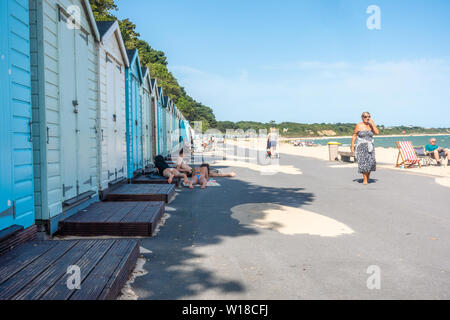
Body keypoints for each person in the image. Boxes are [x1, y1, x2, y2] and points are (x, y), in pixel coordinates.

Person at [351, 112, 379, 185]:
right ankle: (365, 179)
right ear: (362, 117)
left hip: (370, 146)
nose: (367, 118)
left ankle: (367, 177)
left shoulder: (371, 125)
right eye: (366, 117)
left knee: (371, 163)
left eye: (369, 116)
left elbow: (377, 132)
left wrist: (373, 124)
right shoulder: (359, 125)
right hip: (362, 146)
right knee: (364, 163)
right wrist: (352, 146)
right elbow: (354, 135)